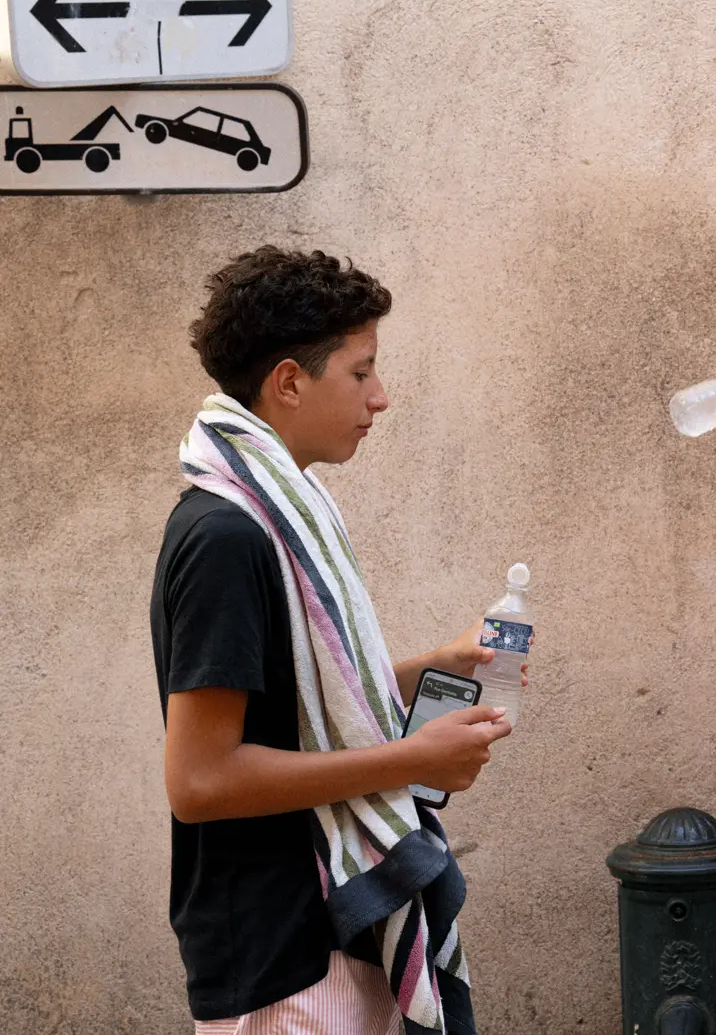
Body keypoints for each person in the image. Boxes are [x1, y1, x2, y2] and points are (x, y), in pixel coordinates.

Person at [152, 247, 518, 1035]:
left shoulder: (278, 512)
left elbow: (278, 704)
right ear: (289, 381)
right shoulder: (228, 535)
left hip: (326, 931)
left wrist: (424, 668)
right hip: (283, 955)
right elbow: (201, 778)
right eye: (361, 372)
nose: (380, 398)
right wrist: (414, 760)